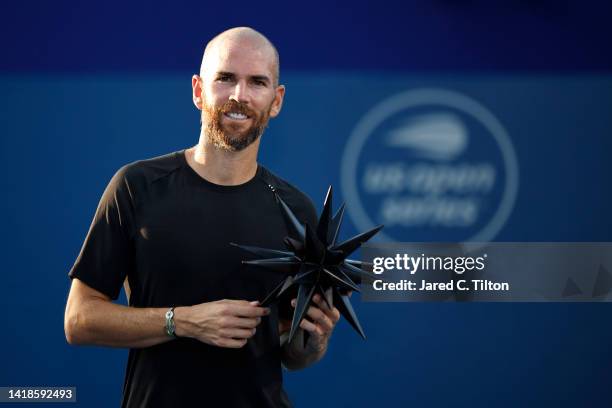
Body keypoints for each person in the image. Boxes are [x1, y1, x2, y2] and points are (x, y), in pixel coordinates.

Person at [64, 27, 341, 408]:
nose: (239, 96)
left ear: (276, 101)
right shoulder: (137, 186)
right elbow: (79, 319)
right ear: (198, 90)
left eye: (257, 83)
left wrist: (314, 341)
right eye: (225, 78)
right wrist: (183, 321)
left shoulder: (298, 211)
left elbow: (292, 355)